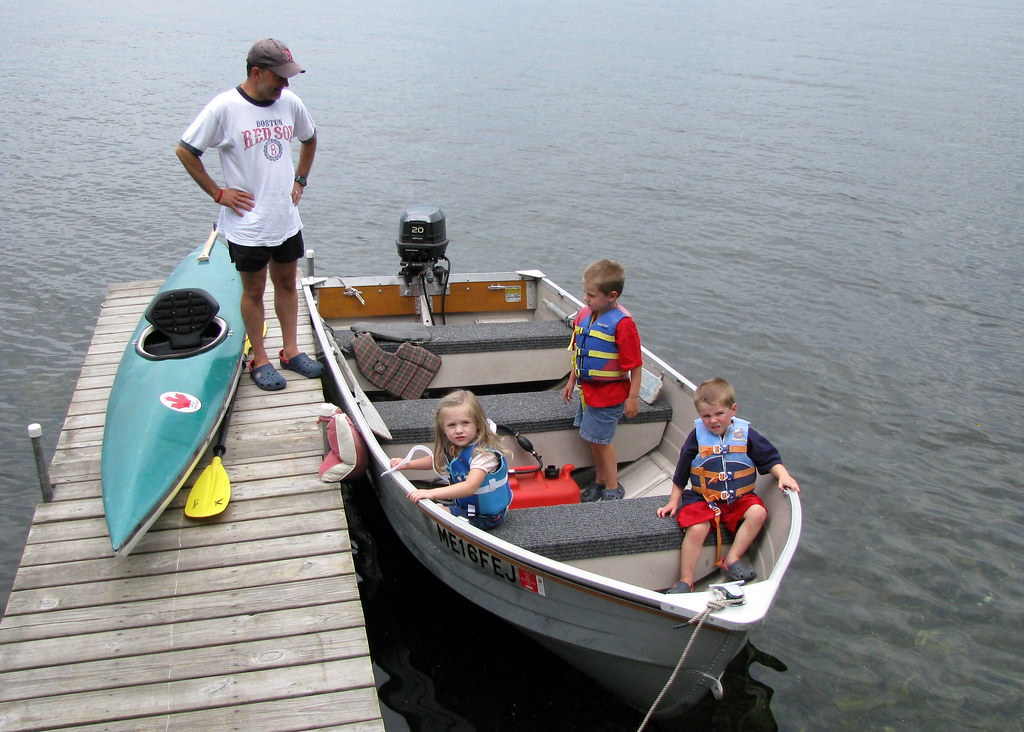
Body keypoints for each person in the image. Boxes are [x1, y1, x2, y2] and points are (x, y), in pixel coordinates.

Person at [175, 38, 322, 391]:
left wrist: (300, 178)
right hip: (249, 224)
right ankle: (260, 357)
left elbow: (310, 137)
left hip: (285, 217)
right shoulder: (224, 109)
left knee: (287, 283)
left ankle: (290, 351)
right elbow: (185, 151)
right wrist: (218, 193)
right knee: (253, 292)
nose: (285, 85)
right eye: (278, 78)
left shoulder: (290, 102)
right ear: (256, 73)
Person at [657, 378, 800, 594]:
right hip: (703, 498)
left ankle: (732, 558)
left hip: (738, 499)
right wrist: (673, 501)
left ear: (733, 410)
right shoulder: (696, 438)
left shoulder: (747, 435)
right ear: (700, 416)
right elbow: (681, 472)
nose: (713, 421)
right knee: (697, 529)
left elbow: (770, 459)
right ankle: (685, 580)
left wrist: (783, 476)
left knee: (758, 512)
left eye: (719, 414)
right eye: (706, 416)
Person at [562, 259, 643, 501]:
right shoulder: (585, 315)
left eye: (591, 295)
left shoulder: (623, 324)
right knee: (592, 439)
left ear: (612, 296)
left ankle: (612, 485)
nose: (585, 299)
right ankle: (598, 480)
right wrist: (570, 381)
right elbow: (580, 352)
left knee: (602, 441)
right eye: (585, 292)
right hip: (587, 392)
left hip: (609, 396)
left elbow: (636, 366)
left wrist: (633, 398)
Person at [390, 390, 513, 530]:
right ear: (443, 429)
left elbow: (470, 487)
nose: (458, 430)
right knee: (433, 509)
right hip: (466, 508)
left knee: (435, 513)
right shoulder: (454, 447)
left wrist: (431, 493)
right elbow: (435, 460)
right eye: (451, 425)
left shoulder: (483, 455)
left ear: (478, 424)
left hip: (486, 517)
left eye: (465, 423)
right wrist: (407, 464)